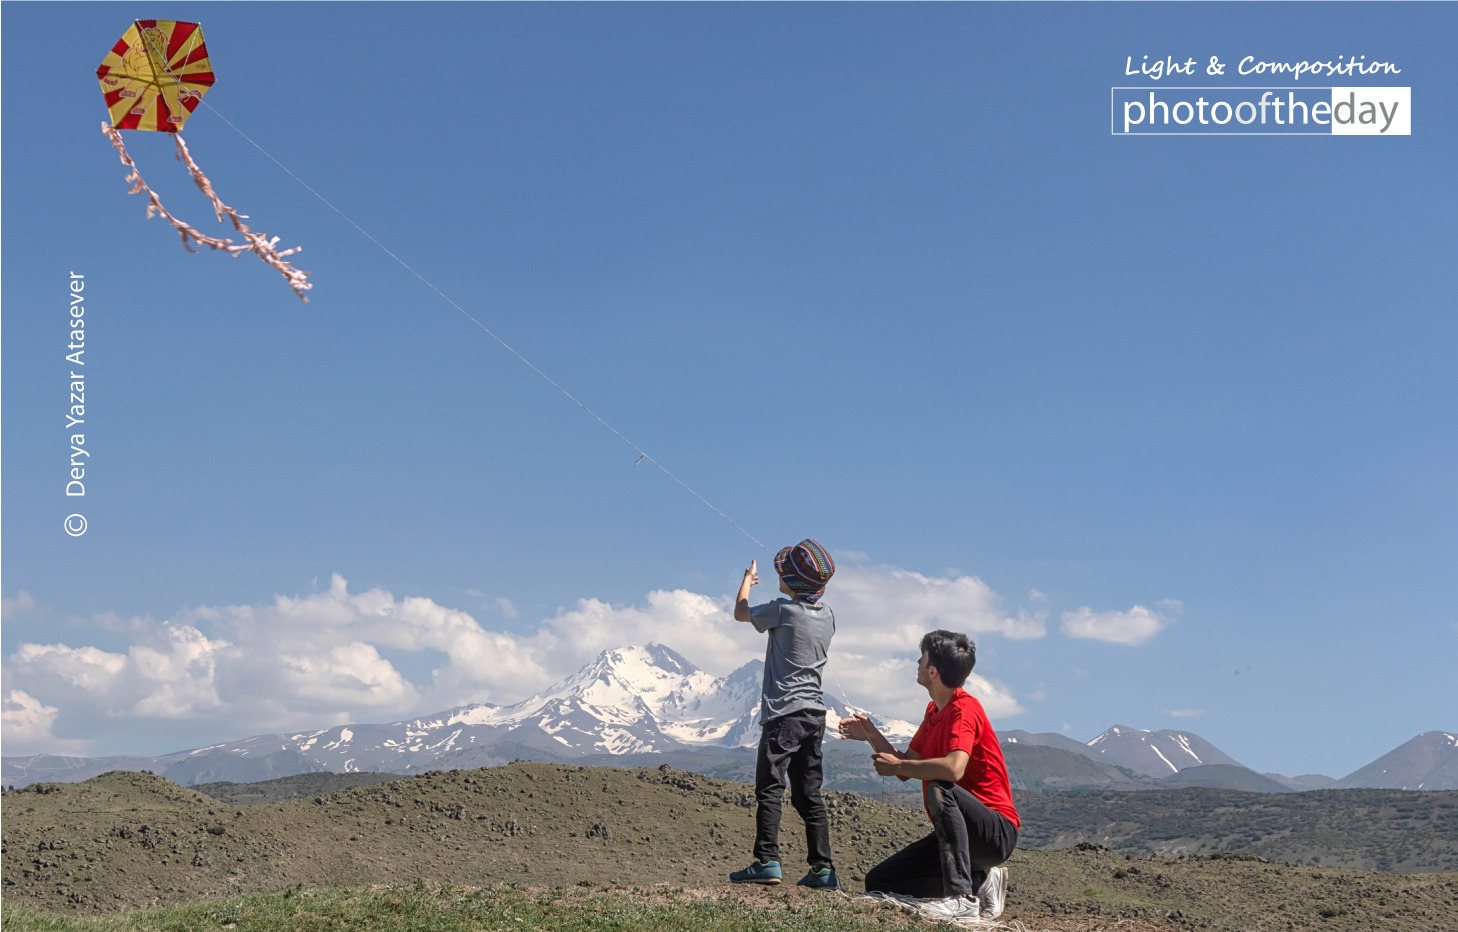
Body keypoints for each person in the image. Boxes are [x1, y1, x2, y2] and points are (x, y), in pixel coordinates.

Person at [838, 630, 1018, 920]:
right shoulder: (935, 711)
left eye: (921, 659)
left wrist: (898, 767)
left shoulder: (964, 710)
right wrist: (871, 734)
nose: (917, 664)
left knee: (939, 786)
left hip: (995, 833)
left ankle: (962, 900)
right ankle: (982, 882)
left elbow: (953, 769)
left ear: (932, 671)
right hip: (963, 838)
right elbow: (908, 765)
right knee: (880, 883)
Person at [727, 539, 838, 889]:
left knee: (770, 787)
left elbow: (740, 612)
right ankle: (823, 869)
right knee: (809, 794)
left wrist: (747, 579)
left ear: (791, 581)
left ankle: (767, 861)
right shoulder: (829, 616)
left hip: (783, 715)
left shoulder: (782, 610)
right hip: (814, 715)